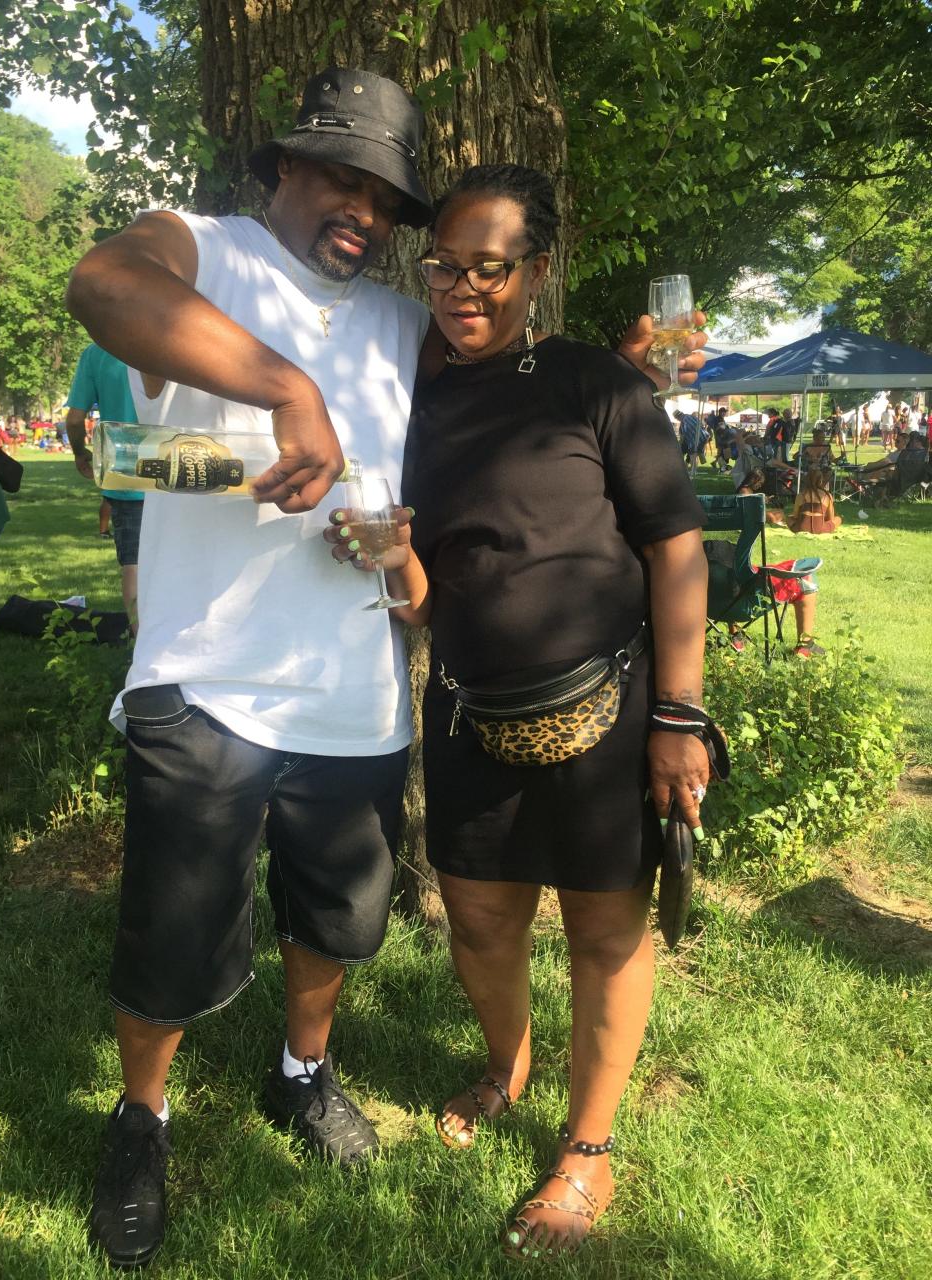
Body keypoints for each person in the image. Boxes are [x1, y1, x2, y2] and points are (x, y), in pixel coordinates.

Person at [329, 164, 712, 1258]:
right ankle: (510, 1061)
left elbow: (676, 546)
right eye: (445, 264)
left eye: (491, 268)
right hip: (465, 708)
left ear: (535, 272)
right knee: (483, 917)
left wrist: (680, 716)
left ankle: (586, 1147)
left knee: (602, 926)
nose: (463, 287)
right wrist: (397, 561)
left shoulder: (598, 384)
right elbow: (422, 592)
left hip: (610, 708)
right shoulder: (408, 397)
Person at [66, 344, 145, 627]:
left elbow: (75, 419)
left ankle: (141, 648)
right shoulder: (171, 334)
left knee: (133, 565)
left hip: (125, 472)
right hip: (176, 465)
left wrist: (79, 452)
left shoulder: (97, 352)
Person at [727, 472, 826, 657]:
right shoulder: (749, 500)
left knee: (726, 572)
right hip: (747, 592)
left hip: (710, 598)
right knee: (806, 576)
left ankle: (735, 633)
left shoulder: (691, 571)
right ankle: (805, 644)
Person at [786, 467, 842, 534]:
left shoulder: (801, 495)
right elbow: (830, 518)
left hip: (801, 528)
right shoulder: (826, 495)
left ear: (807, 480)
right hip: (820, 529)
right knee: (838, 519)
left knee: (789, 518)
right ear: (820, 480)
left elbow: (795, 516)